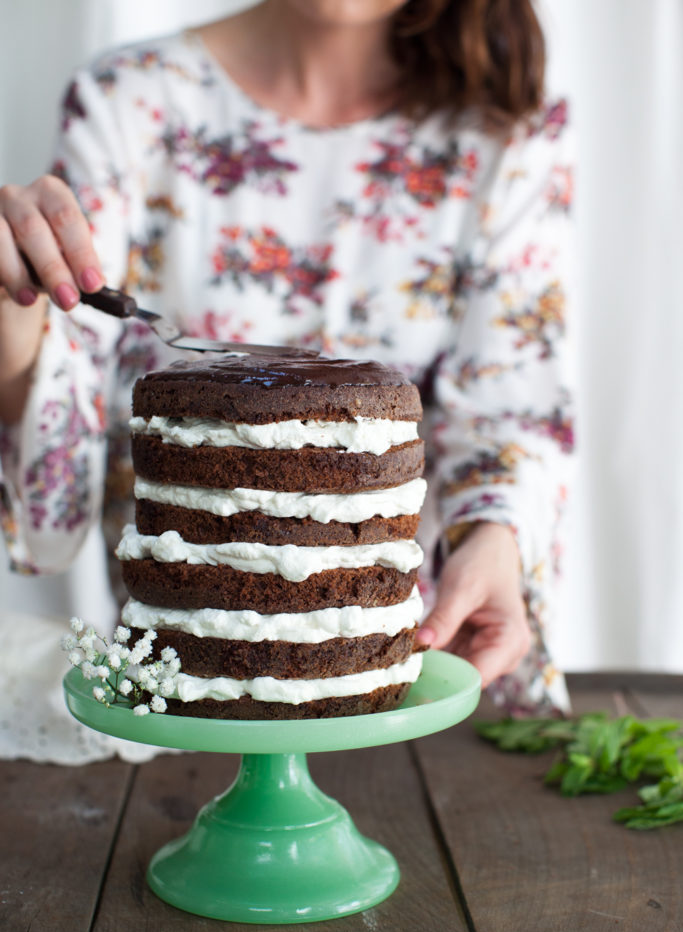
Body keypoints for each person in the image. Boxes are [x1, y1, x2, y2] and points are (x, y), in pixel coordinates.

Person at [0, 0, 573, 717]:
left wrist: (496, 541)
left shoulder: (502, 126)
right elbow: (57, 469)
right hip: (195, 690)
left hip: (421, 672)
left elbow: (512, 410)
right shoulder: (131, 99)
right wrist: (11, 313)